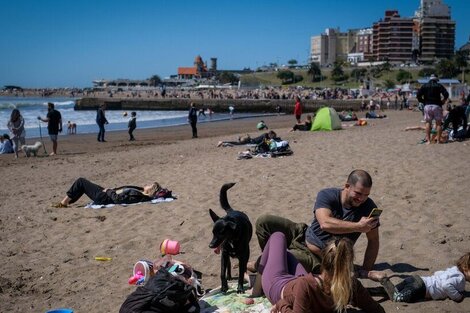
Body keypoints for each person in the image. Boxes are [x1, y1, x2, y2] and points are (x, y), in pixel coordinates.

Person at [256, 170, 381, 276]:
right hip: (302, 234)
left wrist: (366, 270)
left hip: (319, 258)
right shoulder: (327, 194)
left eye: (366, 195)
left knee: (281, 260)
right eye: (358, 193)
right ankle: (265, 264)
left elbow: (373, 240)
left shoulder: (368, 208)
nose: (361, 199)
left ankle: (260, 266)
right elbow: (325, 223)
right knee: (264, 221)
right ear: (347, 186)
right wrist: (358, 227)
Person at [255, 232, 385, 313]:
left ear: (324, 259)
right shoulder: (352, 286)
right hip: (301, 283)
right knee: (286, 255)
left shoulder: (306, 285)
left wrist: (282, 305)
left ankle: (255, 289)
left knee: (278, 236)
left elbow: (295, 300)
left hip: (278, 284)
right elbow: (378, 310)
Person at [392, 252, 470, 303]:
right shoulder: (461, 279)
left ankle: (387, 289)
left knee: (395, 289)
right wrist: (457, 297)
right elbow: (446, 285)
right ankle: (388, 285)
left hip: (419, 279)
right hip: (422, 288)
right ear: (465, 268)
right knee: (399, 298)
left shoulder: (453, 269)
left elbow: (437, 273)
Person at [52, 177, 165, 208]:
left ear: (150, 190)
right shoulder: (140, 192)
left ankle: (64, 203)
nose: (146, 184)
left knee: (81, 182)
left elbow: (118, 200)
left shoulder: (138, 195)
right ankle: (67, 202)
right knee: (82, 185)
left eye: (149, 185)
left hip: (104, 197)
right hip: (107, 193)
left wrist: (109, 191)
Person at [416, 74, 449, 144]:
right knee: (439, 124)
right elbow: (446, 94)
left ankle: (428, 140)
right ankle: (438, 141)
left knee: (428, 123)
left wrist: (423, 101)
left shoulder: (424, 85)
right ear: (436, 79)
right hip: (437, 105)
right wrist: (443, 100)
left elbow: (418, 95)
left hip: (427, 106)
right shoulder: (439, 85)